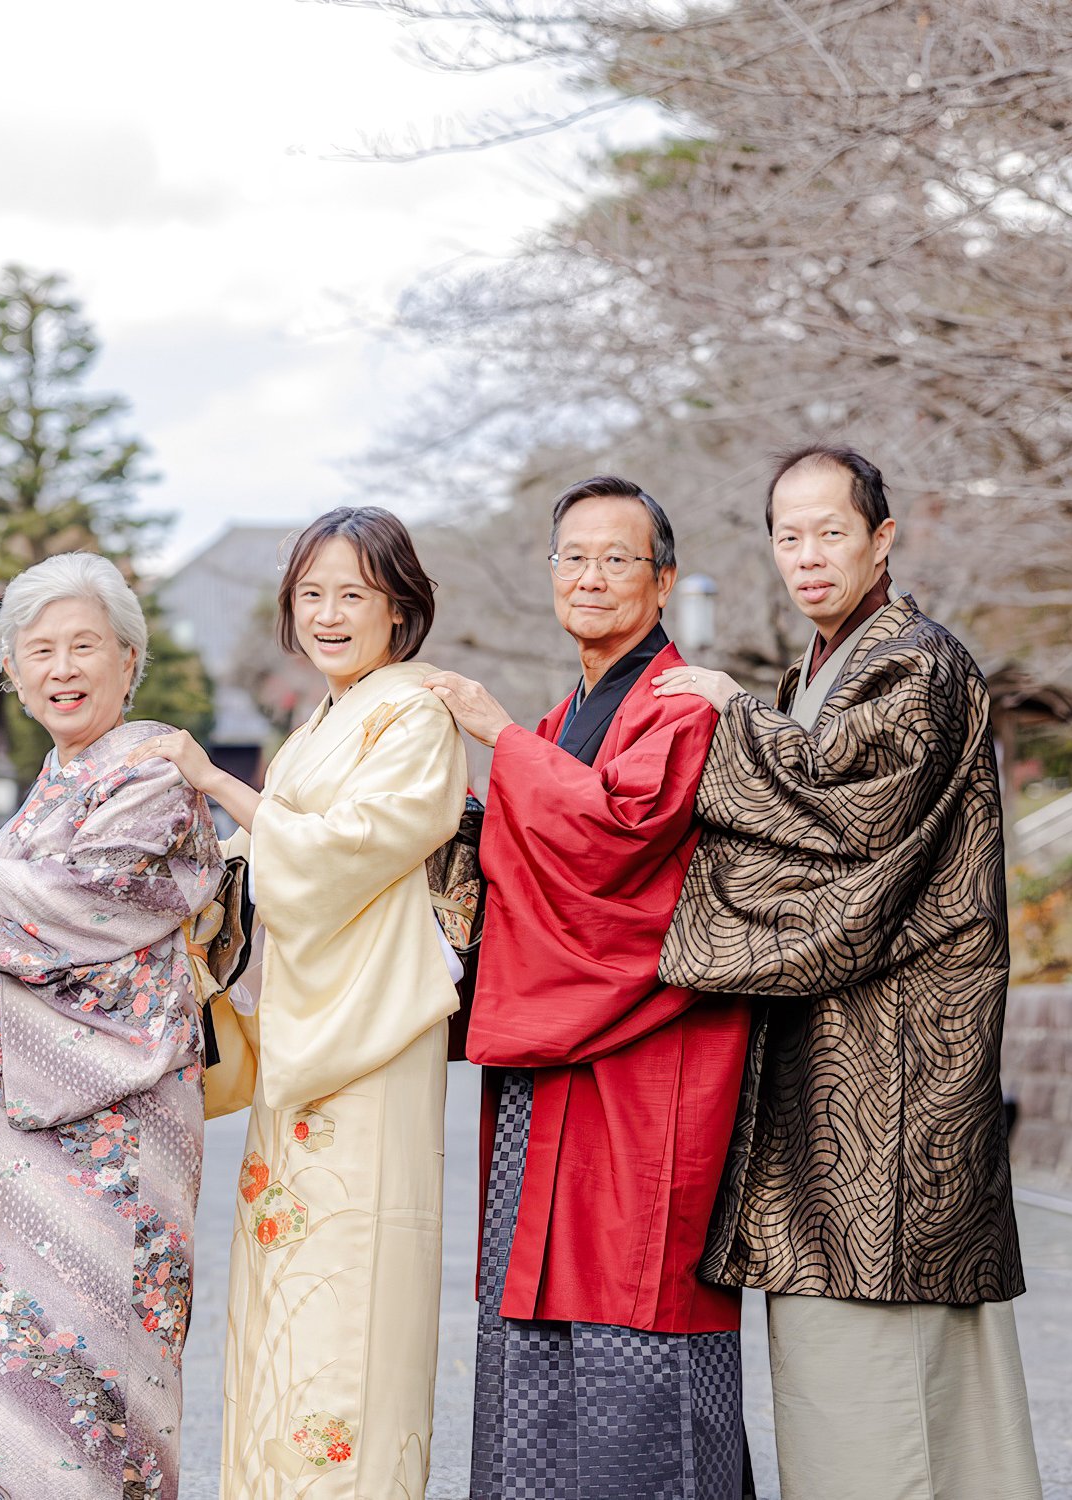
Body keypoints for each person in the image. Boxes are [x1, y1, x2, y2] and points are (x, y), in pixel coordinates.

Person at [652, 446, 1040, 1500]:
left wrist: (729, 712)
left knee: (879, 1366)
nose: (809, 555)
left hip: (900, 1073)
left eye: (832, 531)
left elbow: (852, 809)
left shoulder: (919, 661)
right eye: (789, 535)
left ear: (883, 538)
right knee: (872, 1374)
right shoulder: (819, 672)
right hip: (832, 1077)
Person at [129, 506, 467, 1499]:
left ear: (400, 608)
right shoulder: (321, 720)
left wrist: (214, 786)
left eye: (352, 594)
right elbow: (270, 867)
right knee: (288, 1305)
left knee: (353, 1307)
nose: (327, 613)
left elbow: (342, 853)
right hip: (308, 1031)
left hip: (366, 1035)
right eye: (311, 594)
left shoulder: (413, 713)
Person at [425, 476, 750, 1499]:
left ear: (662, 582)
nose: (593, 577)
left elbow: (620, 843)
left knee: (635, 1310)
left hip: (647, 1065)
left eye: (619, 559)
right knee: (533, 1316)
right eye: (575, 556)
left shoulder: (679, 705)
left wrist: (499, 739)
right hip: (552, 1058)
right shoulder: (570, 715)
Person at [0, 552, 223, 1500]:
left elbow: (92, 904)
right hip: (17, 1116)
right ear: (14, 674)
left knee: (106, 1354)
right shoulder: (51, 784)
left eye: (85, 646)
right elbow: (5, 926)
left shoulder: (154, 770)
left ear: (130, 659)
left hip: (120, 1116)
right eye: (40, 651)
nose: (62, 668)